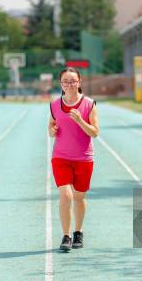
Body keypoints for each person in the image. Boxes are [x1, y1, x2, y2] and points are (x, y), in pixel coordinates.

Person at [48, 67, 99, 251]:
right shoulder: (54, 105)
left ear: (79, 82)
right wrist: (52, 131)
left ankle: (78, 232)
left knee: (79, 197)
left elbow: (95, 132)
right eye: (65, 82)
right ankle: (66, 236)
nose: (69, 85)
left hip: (83, 158)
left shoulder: (89, 104)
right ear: (61, 84)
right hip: (60, 157)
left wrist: (79, 121)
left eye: (72, 81)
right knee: (66, 195)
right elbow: (51, 128)